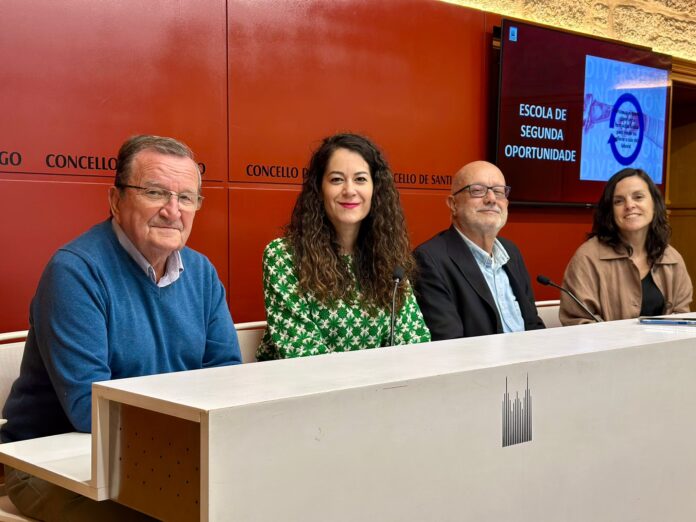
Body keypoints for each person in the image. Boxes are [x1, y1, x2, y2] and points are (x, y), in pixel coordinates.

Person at [1, 135, 242, 521]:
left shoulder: (201, 273)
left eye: (186, 198)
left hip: (167, 456)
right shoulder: (75, 271)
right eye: (155, 192)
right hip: (50, 465)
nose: (172, 211)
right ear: (116, 200)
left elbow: (226, 379)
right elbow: (90, 410)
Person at [256, 133, 430, 360]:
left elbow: (414, 343)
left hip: (379, 381)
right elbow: (302, 355)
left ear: (375, 189)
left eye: (360, 179)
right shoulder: (284, 256)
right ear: (319, 189)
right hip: (300, 381)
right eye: (337, 179)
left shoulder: (389, 258)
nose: (349, 190)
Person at [413, 161, 544, 340]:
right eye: (477, 190)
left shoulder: (511, 252)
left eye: (499, 191)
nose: (491, 199)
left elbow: (533, 324)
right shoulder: (429, 260)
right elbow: (448, 343)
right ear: (453, 204)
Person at [560, 168, 692, 325]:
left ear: (654, 204)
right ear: (610, 211)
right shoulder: (587, 258)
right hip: (607, 342)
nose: (629, 205)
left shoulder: (672, 258)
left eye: (638, 197)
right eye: (619, 201)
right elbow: (578, 323)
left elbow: (682, 320)